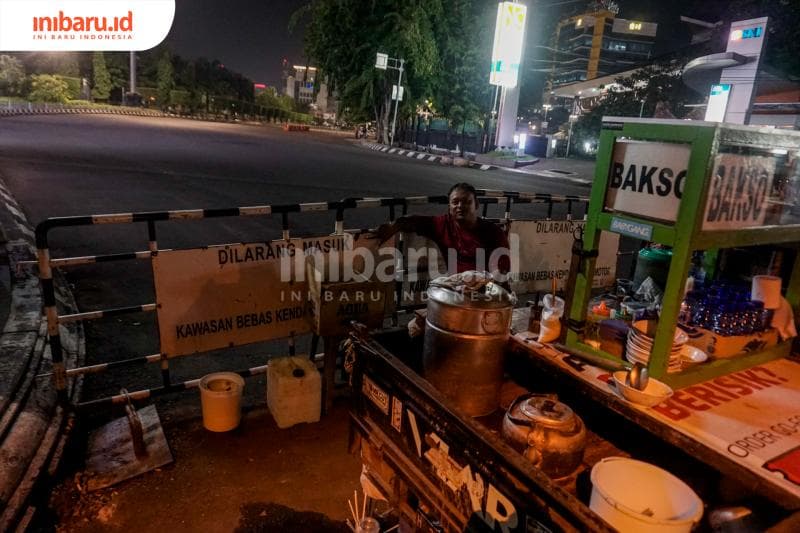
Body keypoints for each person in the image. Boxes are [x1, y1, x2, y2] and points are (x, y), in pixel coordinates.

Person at [376, 182, 511, 279]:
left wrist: (480, 282)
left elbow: (502, 270)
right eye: (455, 202)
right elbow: (413, 221)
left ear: (476, 204)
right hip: (457, 292)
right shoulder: (443, 225)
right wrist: (393, 226)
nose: (460, 206)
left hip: (489, 294)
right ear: (449, 206)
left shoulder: (493, 232)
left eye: (466, 202)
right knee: (418, 319)